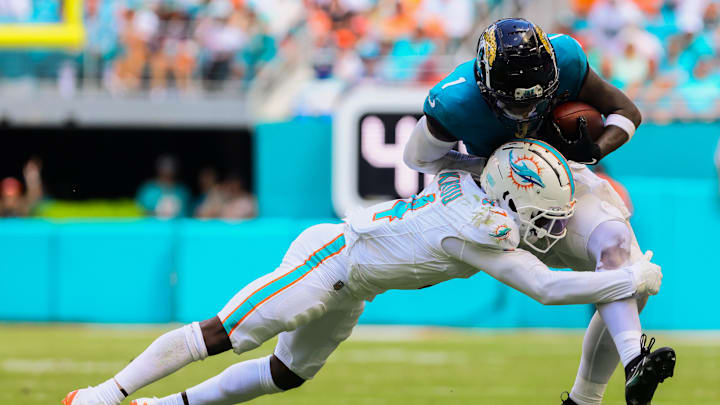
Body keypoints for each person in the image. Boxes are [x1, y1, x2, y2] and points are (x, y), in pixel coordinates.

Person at [62, 140, 663, 405]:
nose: (548, 226)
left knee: (284, 375)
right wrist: (631, 279)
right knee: (225, 332)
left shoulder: (480, 192)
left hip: (358, 286)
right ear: (506, 198)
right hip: (331, 260)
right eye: (538, 213)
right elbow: (547, 287)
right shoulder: (475, 227)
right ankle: (100, 396)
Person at [404, 18, 675, 405]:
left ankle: (625, 368)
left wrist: (593, 152)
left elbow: (625, 111)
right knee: (602, 280)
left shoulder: (566, 58)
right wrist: (488, 166)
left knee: (621, 252)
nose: (527, 107)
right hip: (495, 203)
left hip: (558, 181)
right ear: (485, 83)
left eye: (535, 97)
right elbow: (418, 159)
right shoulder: (456, 100)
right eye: (514, 100)